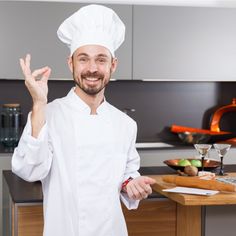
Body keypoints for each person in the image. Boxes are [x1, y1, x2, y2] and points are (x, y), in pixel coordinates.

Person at [12, 4, 156, 236]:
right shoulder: (48, 114)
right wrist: (38, 103)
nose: (92, 69)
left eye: (101, 59)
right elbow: (29, 171)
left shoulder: (125, 124)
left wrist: (132, 185)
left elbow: (127, 175)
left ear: (113, 65)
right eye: (83, 59)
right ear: (71, 63)